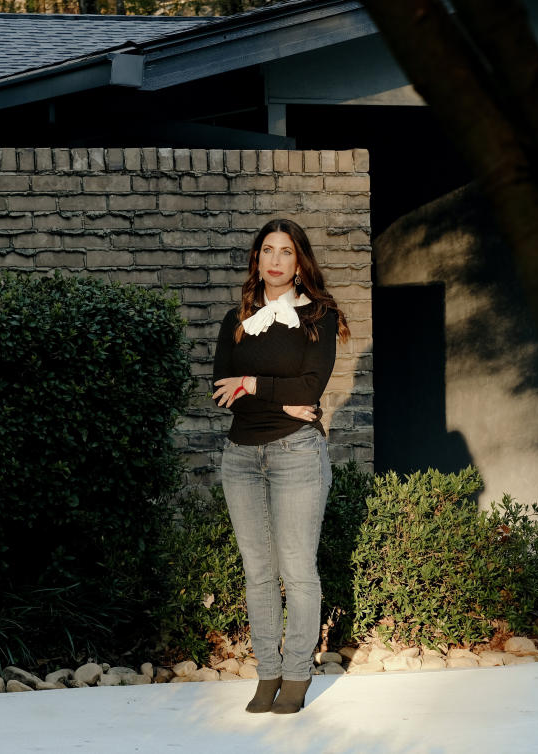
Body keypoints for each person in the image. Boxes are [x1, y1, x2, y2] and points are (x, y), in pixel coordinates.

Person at [212, 217, 350, 714]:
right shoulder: (236, 319)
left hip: (296, 453)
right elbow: (221, 392)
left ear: (299, 261)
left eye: (285, 252)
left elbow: (310, 390)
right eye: (267, 250)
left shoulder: (319, 316)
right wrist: (273, 393)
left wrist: (254, 385)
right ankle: (265, 673)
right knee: (258, 573)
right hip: (242, 456)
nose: (275, 260)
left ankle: (296, 675)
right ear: (256, 259)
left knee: (297, 570)